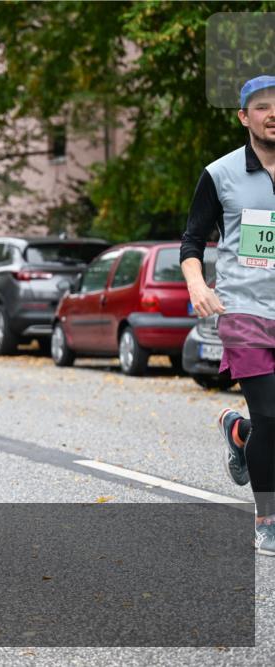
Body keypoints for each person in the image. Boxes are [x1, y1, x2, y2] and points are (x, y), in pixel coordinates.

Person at [180, 75, 275, 556]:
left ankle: (239, 435)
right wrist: (198, 284)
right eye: (262, 107)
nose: (273, 114)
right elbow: (192, 241)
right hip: (244, 310)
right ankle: (268, 520)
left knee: (269, 422)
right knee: (271, 413)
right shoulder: (220, 174)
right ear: (244, 116)